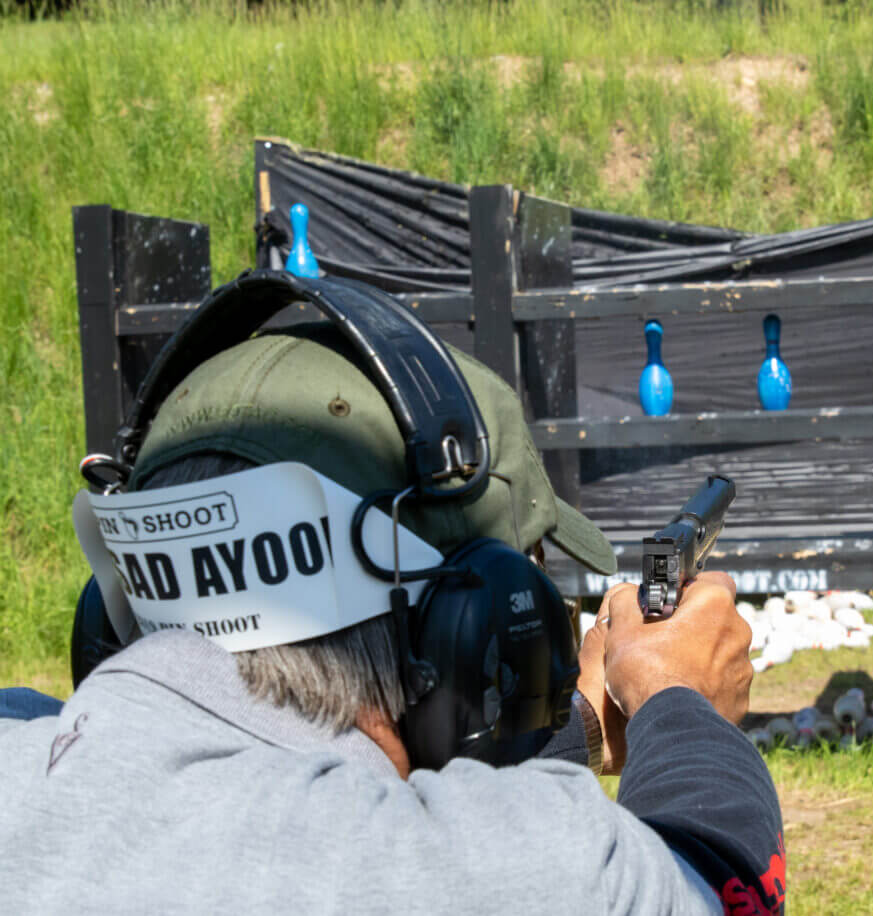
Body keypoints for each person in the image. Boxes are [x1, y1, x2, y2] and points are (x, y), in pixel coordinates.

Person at [0, 294, 785, 913]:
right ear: (464, 636)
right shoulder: (545, 871)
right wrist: (681, 703)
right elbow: (717, 886)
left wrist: (576, 720)